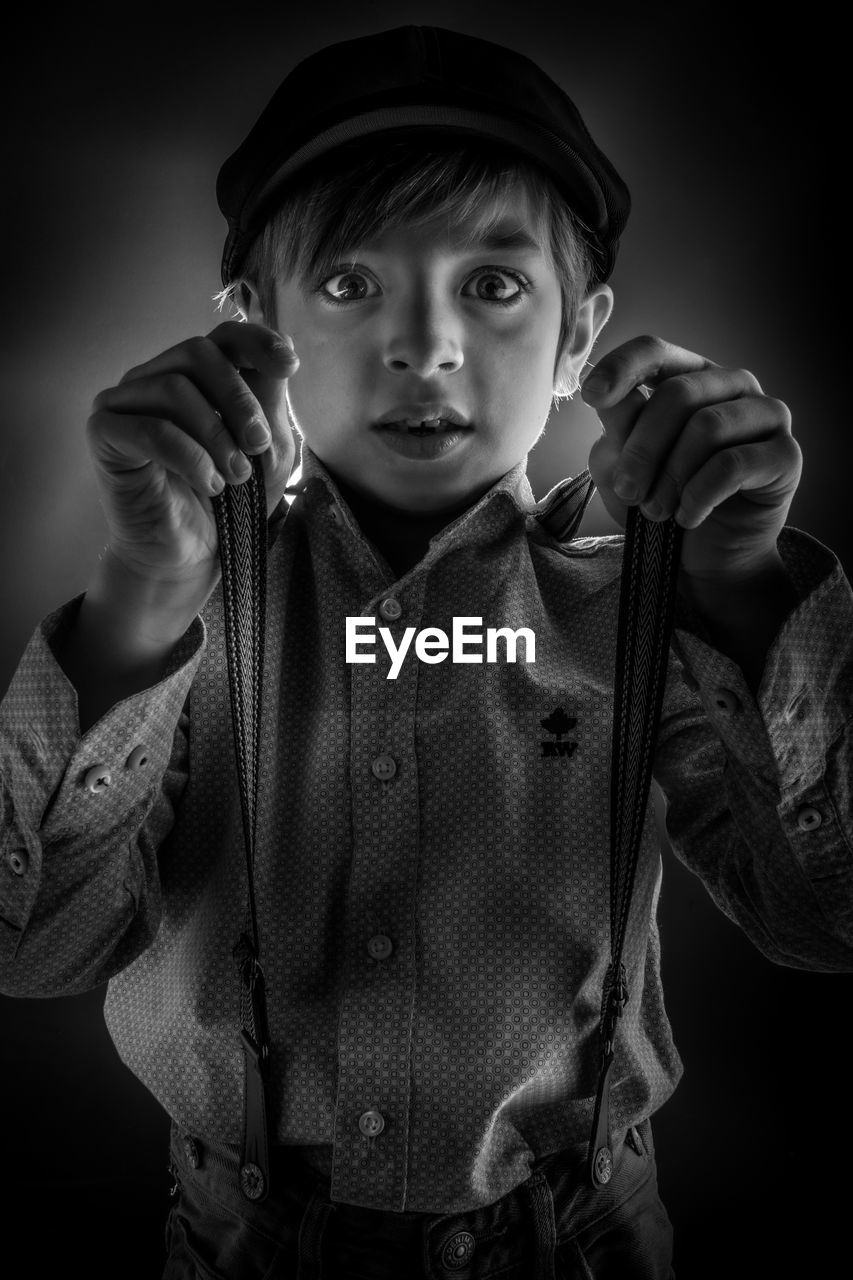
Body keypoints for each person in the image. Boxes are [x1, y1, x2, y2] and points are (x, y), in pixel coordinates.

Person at [1, 22, 851, 1280]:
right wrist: (139, 598)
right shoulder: (186, 614)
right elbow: (32, 946)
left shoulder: (637, 609)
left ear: (580, 336)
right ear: (251, 333)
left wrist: (737, 587)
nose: (426, 343)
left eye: (495, 283)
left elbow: (822, 919)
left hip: (584, 1242)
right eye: (349, 283)